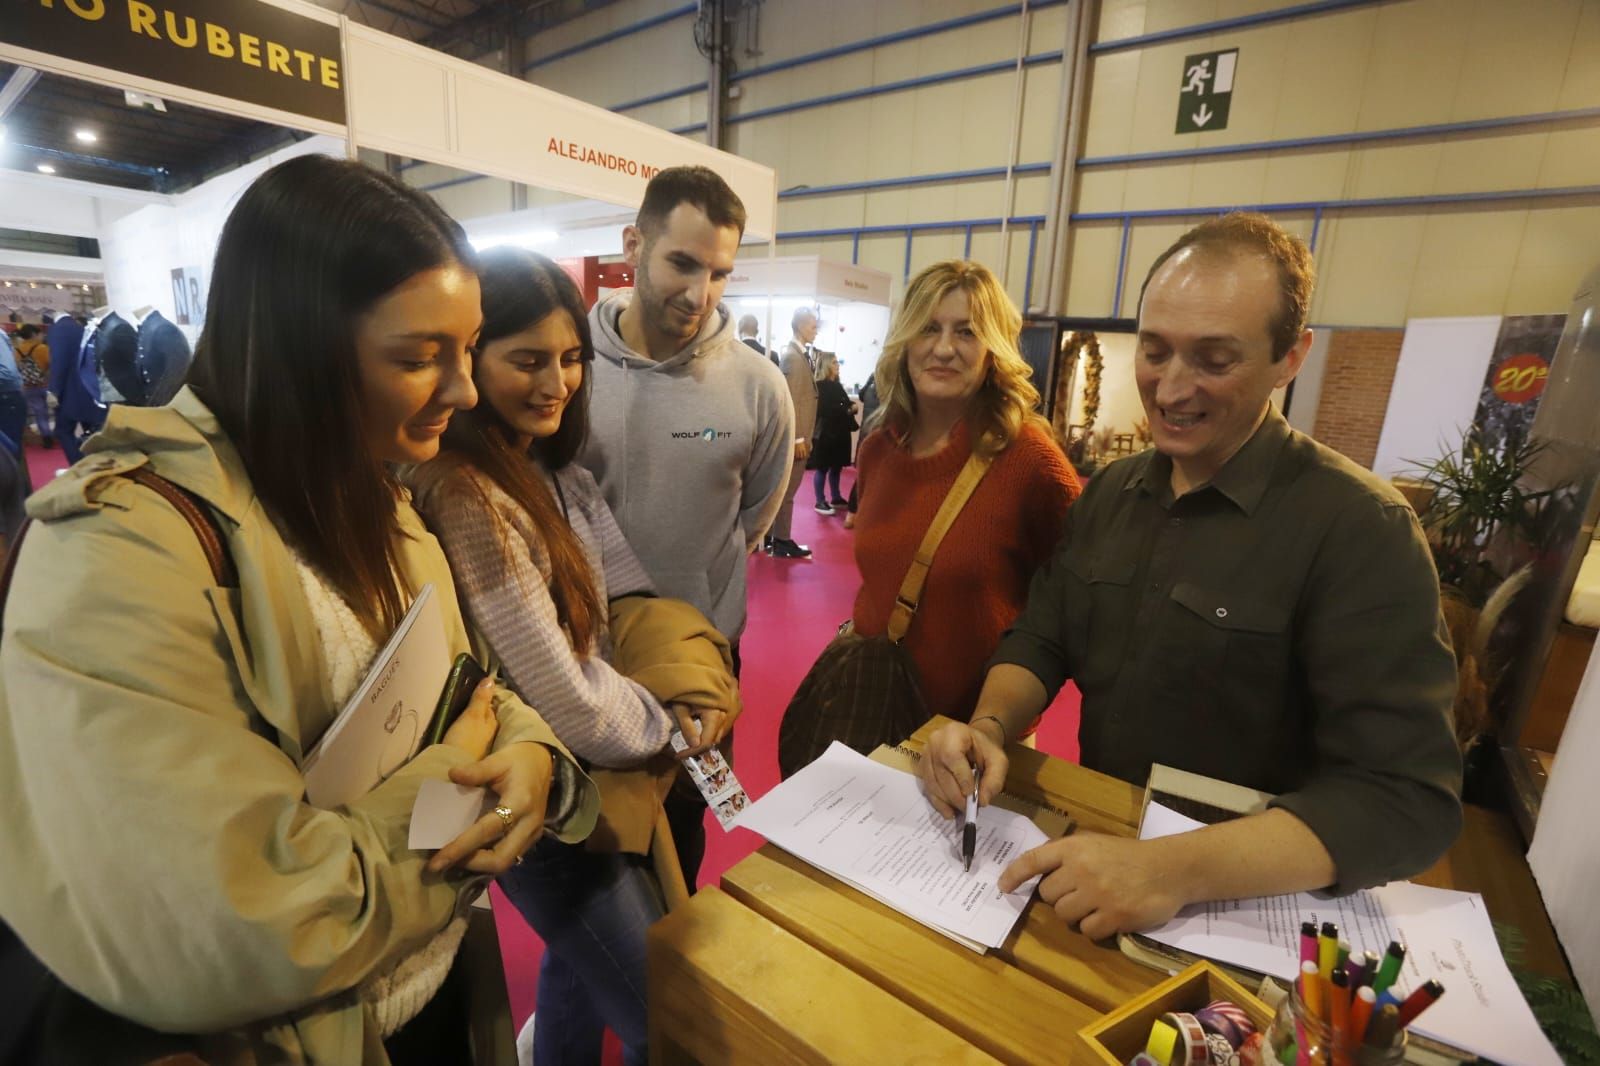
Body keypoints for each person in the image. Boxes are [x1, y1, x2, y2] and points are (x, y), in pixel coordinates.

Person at [0, 155, 599, 1065]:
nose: (467, 390)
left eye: (467, 348)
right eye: (417, 357)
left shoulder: (379, 498)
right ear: (297, 345)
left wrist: (526, 751)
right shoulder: (116, 550)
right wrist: (454, 807)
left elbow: (466, 687)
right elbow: (242, 913)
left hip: (432, 1005)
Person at [920, 213, 1462, 939]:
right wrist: (989, 726)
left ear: (1290, 358)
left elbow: (1406, 800)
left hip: (1244, 906)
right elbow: (1043, 637)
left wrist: (1172, 871)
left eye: (1214, 359)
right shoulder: (1112, 493)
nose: (1171, 389)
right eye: (1155, 351)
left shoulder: (1361, 529)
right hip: (1099, 864)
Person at [408, 248, 738, 1066]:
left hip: (588, 774)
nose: (557, 381)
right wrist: (667, 720)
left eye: (569, 359)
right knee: (669, 1020)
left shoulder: (551, 470)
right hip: (550, 801)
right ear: (469, 359)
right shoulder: (468, 493)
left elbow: (629, 597)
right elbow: (567, 700)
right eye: (527, 360)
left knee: (575, 972)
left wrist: (678, 685)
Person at [579, 164, 792, 883]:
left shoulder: (759, 388)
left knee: (685, 839)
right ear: (633, 243)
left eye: (721, 273)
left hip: (702, 662)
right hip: (584, 665)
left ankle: (666, 991)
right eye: (682, 263)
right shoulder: (568, 368)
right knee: (593, 859)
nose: (700, 294)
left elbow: (756, 512)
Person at [851, 259, 1081, 725]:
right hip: (878, 712)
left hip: (978, 739)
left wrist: (1002, 714)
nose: (943, 348)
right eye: (929, 328)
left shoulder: (1029, 460)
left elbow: (1073, 601)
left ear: (994, 350)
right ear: (905, 340)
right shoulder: (878, 448)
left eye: (967, 332)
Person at [769, 307, 820, 557]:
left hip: (802, 436)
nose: (816, 330)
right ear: (800, 326)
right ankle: (781, 539)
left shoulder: (798, 355)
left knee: (788, 490)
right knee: (787, 491)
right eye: (813, 326)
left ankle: (776, 536)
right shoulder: (791, 356)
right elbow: (789, 400)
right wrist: (798, 437)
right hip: (796, 439)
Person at [808, 350, 855, 515]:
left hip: (840, 432)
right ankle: (820, 501)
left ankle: (836, 497)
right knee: (823, 467)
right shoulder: (820, 386)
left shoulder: (836, 384)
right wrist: (848, 410)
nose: (838, 366)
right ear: (827, 364)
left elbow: (845, 402)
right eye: (835, 362)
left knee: (836, 467)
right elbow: (827, 410)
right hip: (827, 433)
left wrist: (848, 407)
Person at [13, 324, 52, 447]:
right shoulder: (42, 348)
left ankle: (46, 437)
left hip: (28, 386)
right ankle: (54, 433)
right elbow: (52, 365)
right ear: (34, 334)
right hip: (45, 384)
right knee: (51, 408)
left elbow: (17, 368)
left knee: (39, 411)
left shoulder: (17, 350)